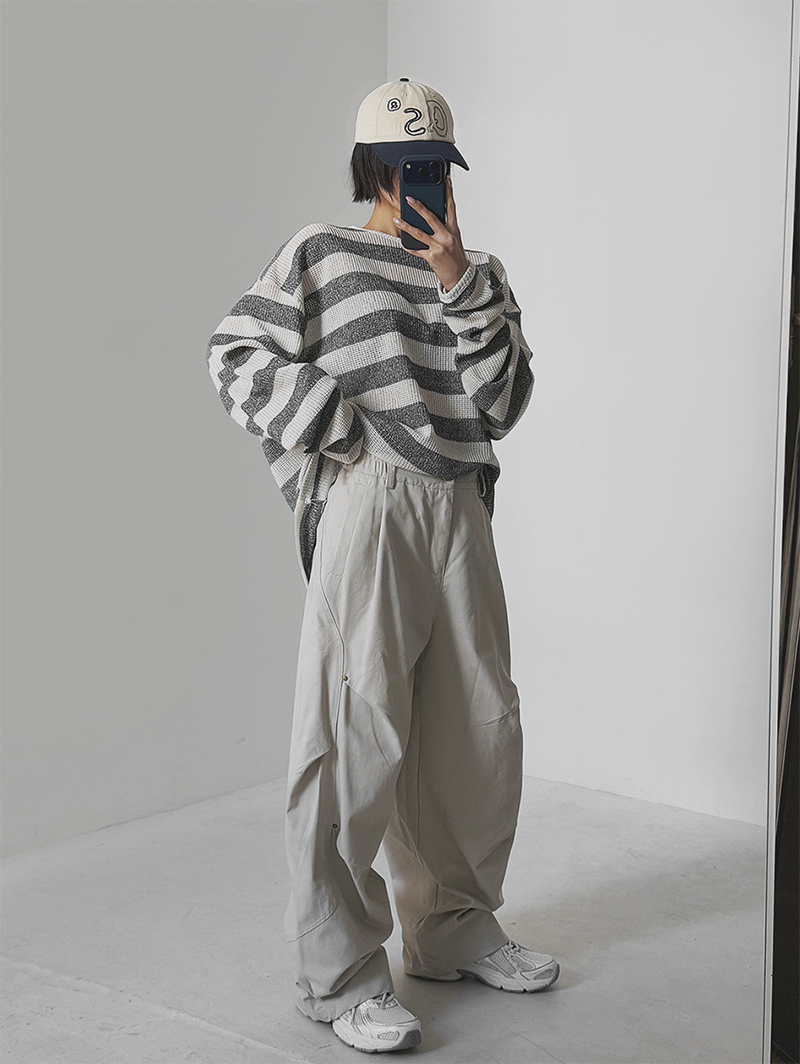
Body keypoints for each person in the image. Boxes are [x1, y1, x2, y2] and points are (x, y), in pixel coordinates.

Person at [206, 77, 560, 1054]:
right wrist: (335, 425)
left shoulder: (478, 271)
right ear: (371, 167)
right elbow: (235, 351)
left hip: (460, 503)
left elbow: (501, 405)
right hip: (371, 498)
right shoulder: (318, 253)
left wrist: (457, 283)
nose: (420, 183)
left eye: (434, 167)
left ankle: (453, 929)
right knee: (351, 734)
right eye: (404, 167)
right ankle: (340, 975)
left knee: (477, 728)